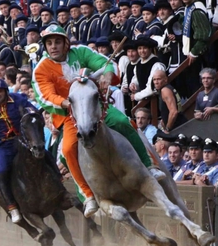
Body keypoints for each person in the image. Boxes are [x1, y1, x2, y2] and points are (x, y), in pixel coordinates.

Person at [32, 24, 165, 218]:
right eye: (50, 43)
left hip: (95, 107)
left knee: (122, 121)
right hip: (69, 114)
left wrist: (108, 74)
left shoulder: (81, 51)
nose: (54, 46)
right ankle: (88, 195)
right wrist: (65, 102)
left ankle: (149, 165)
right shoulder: (41, 69)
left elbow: (105, 62)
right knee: (68, 149)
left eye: (58, 42)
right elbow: (44, 96)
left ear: (65, 42)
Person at [0, 78, 38, 223]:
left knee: (45, 156)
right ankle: (12, 207)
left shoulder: (19, 99)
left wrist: (31, 118)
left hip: (24, 140)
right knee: (3, 170)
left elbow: (32, 111)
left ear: (5, 91)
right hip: (4, 145)